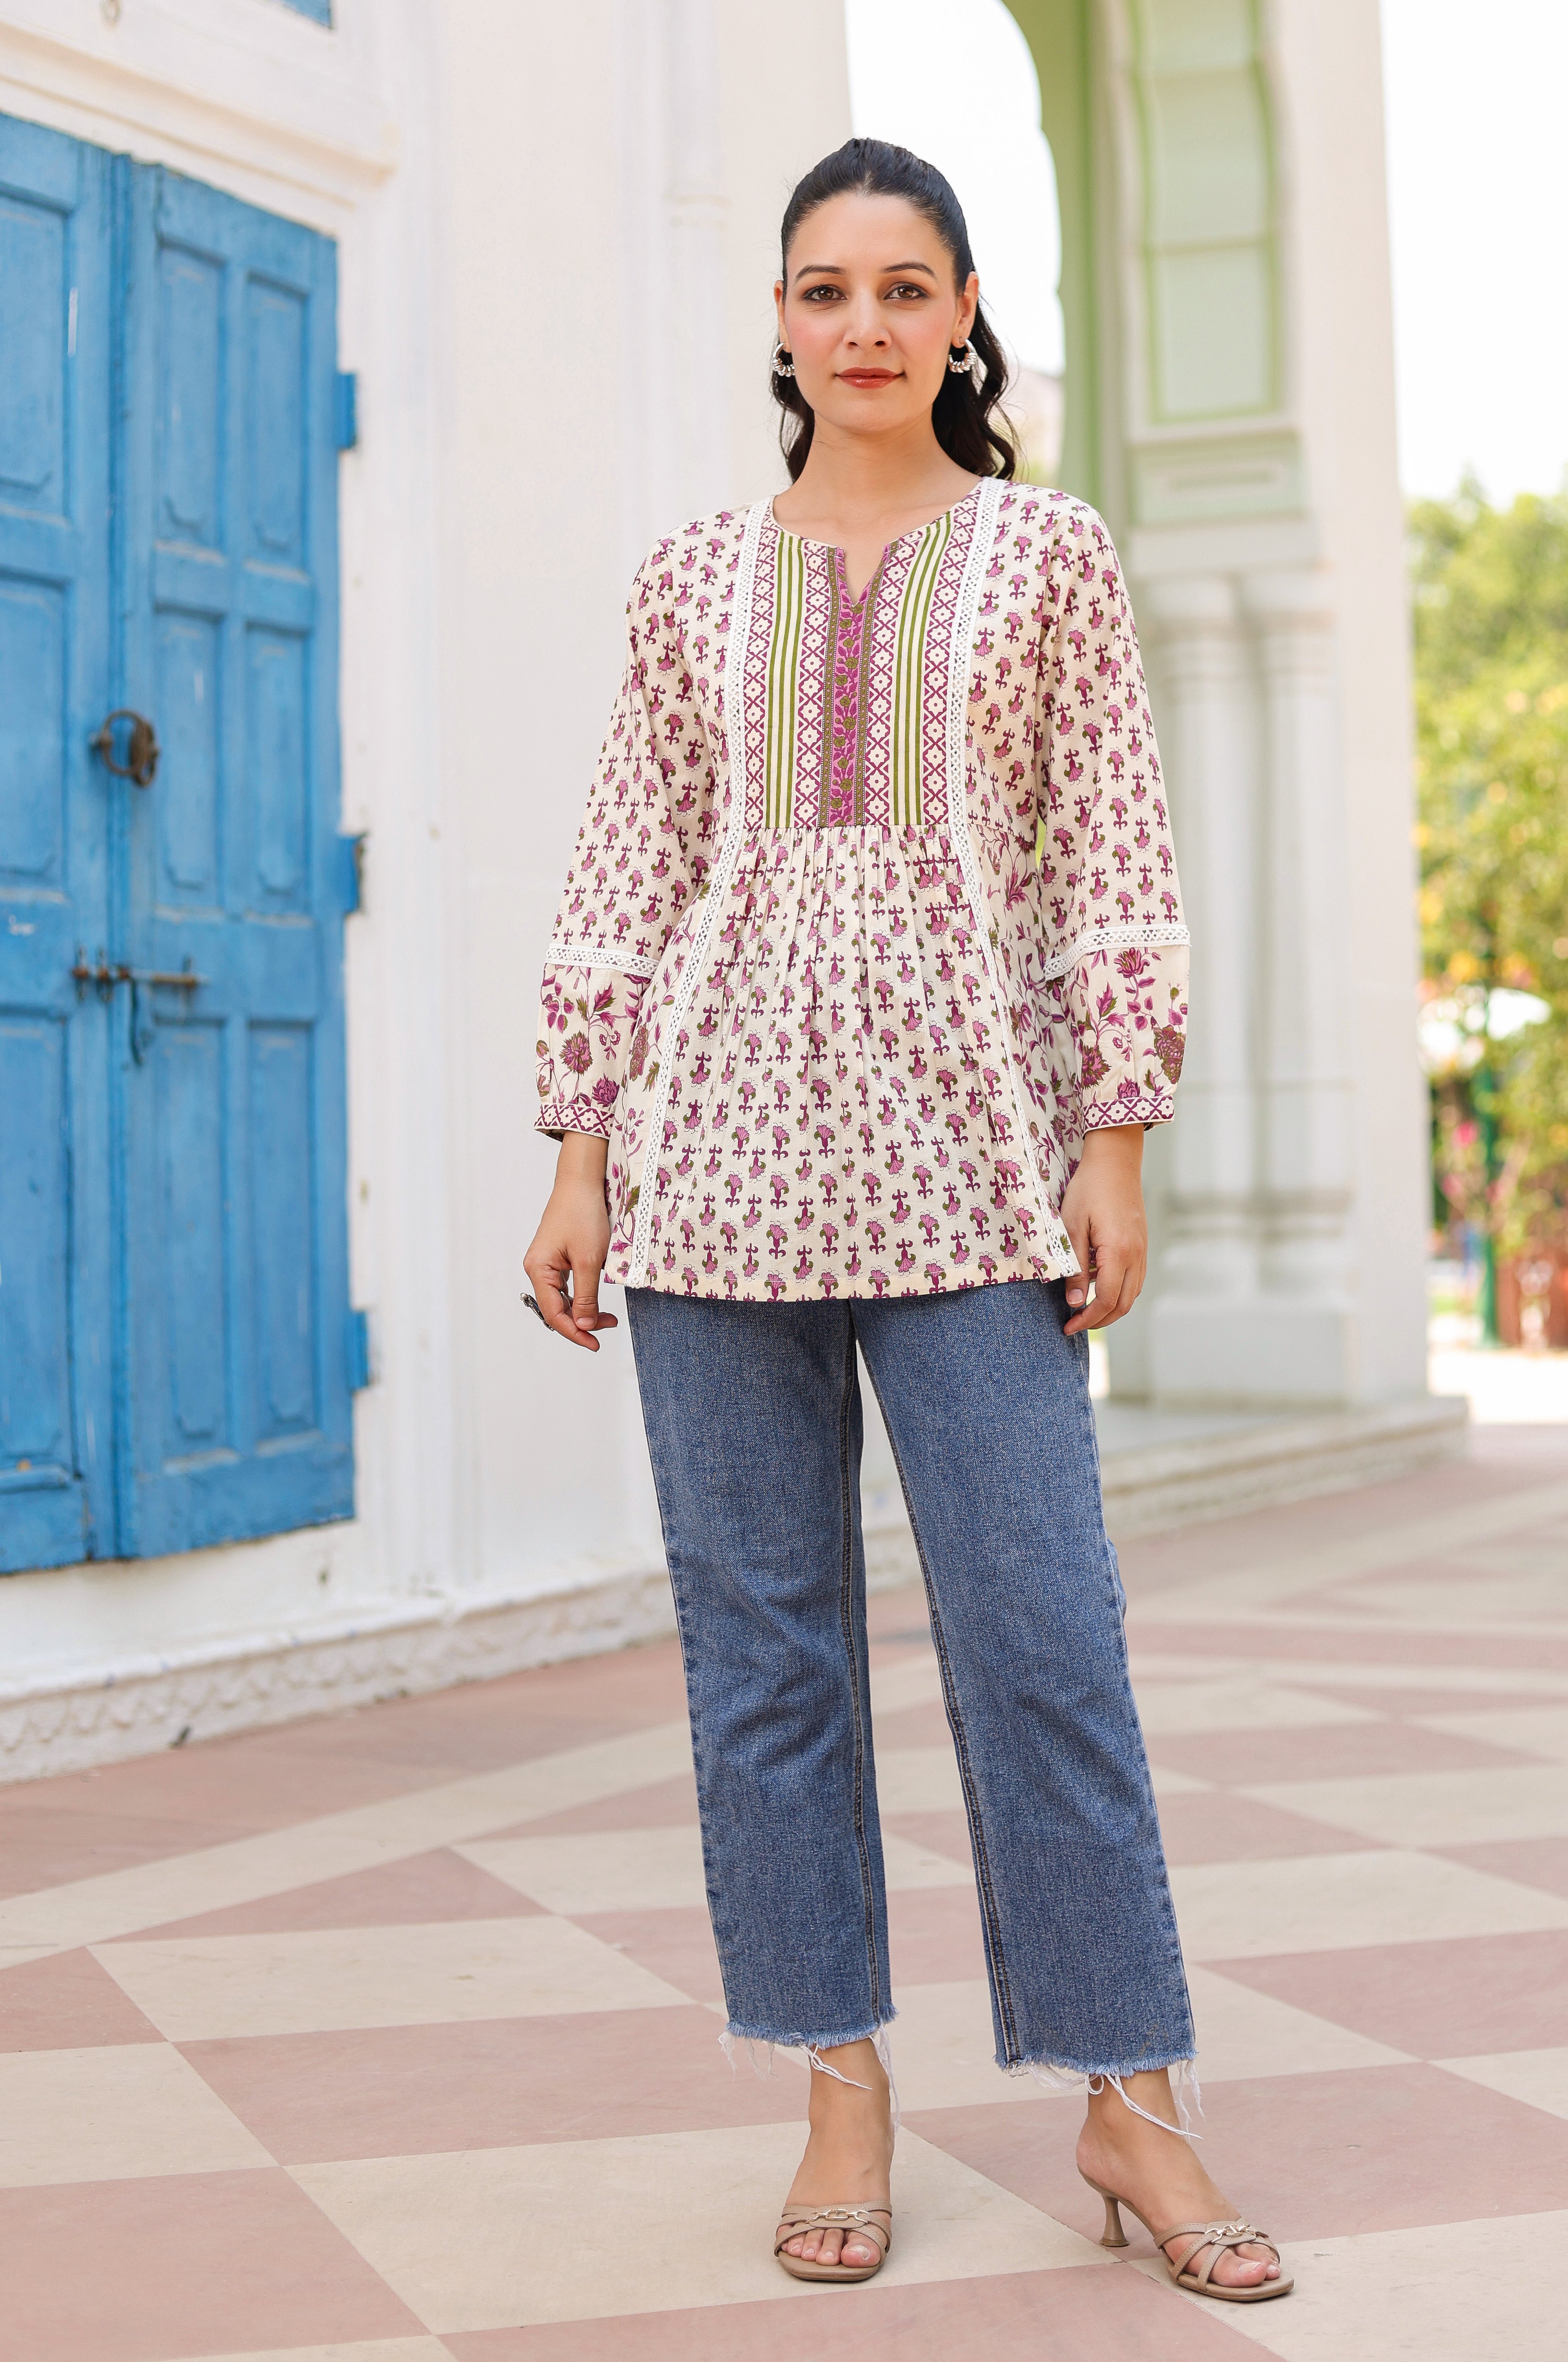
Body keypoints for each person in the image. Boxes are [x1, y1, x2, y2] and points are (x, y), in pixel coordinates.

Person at [523, 138, 1289, 2303]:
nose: (862, 323)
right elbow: (626, 864)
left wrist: (1113, 1137)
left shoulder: (1049, 554)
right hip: (714, 1182)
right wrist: (579, 1148)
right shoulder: (691, 579)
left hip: (973, 1172)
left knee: (1044, 1645)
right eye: (823, 288)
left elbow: (1111, 849)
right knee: (763, 1657)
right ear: (779, 323)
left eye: (901, 286)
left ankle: (1131, 2101)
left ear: (962, 315)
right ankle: (838, 2087)